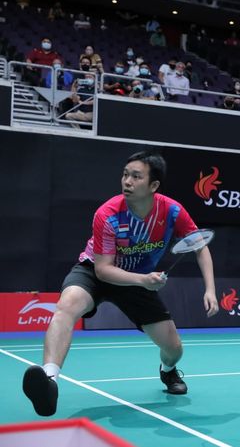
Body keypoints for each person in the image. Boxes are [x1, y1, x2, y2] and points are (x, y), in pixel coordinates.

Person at [22, 152, 219, 417]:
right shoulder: (108, 214)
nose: (127, 181)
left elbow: (200, 246)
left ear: (153, 186)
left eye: (136, 176)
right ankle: (49, 381)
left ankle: (168, 371)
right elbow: (103, 270)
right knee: (66, 306)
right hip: (96, 271)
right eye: (125, 174)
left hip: (137, 281)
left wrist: (210, 289)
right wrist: (144, 280)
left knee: (173, 348)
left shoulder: (172, 211)